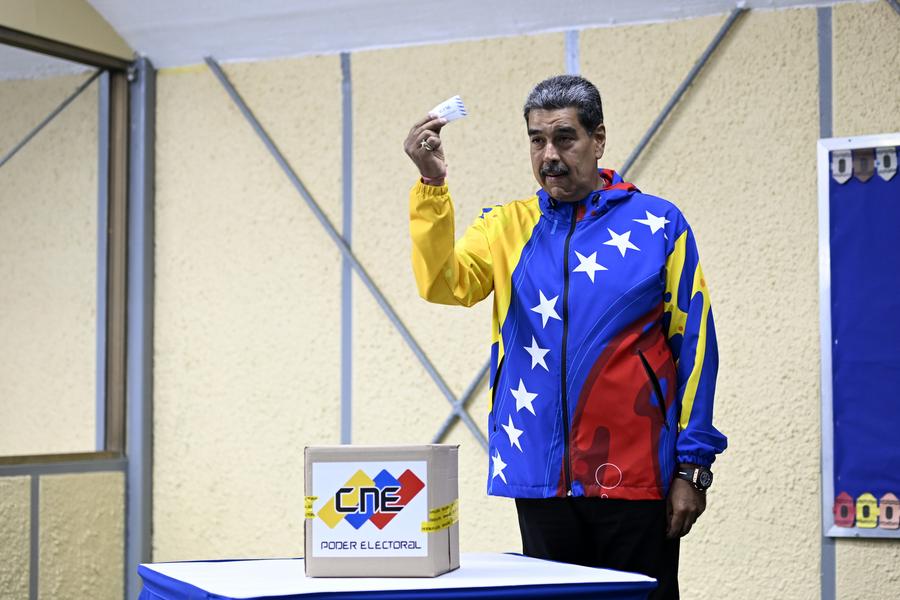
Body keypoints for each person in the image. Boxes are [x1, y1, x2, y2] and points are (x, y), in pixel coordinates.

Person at [403, 74, 727, 599]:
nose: (549, 154)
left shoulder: (659, 224)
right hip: (538, 474)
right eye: (536, 140)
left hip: (637, 475)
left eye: (564, 138)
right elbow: (445, 284)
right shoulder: (505, 225)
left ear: (598, 140)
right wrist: (432, 186)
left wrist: (693, 467)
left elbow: (696, 351)